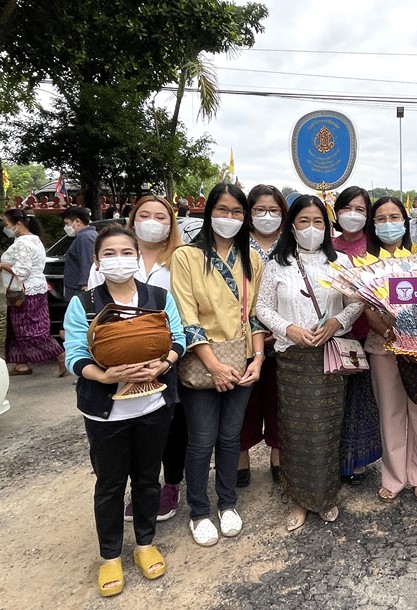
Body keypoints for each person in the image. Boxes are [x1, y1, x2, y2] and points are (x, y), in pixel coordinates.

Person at [63, 225, 185, 597]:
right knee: (111, 484)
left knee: (148, 478)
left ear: (137, 256)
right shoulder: (83, 304)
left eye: (126, 252)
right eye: (110, 254)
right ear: (98, 261)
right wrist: (103, 374)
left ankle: (145, 543)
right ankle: (110, 555)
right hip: (106, 412)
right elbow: (74, 353)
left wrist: (164, 363)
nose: (120, 260)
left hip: (152, 404)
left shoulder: (159, 296)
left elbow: (178, 338)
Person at [256, 195, 363, 531]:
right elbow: (263, 308)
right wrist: (288, 328)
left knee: (327, 431)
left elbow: (357, 301)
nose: (312, 228)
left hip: (329, 357)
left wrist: (338, 323)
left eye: (318, 221)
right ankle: (300, 499)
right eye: (304, 221)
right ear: (292, 226)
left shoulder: (341, 262)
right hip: (292, 359)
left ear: (327, 225)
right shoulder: (277, 264)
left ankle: (326, 496)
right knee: (296, 431)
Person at [170, 183, 267, 547]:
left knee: (230, 437)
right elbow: (186, 317)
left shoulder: (251, 260)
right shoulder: (186, 257)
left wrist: (258, 359)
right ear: (208, 212)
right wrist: (213, 366)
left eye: (237, 212)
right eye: (223, 210)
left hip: (242, 361)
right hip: (203, 362)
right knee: (201, 439)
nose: (230, 218)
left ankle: (227, 503)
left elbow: (254, 316)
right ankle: (199, 511)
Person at [87, 195, 186, 521]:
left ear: (171, 223)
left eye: (162, 216)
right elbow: (92, 318)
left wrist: (168, 358)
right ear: (133, 219)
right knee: (125, 432)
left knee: (170, 427)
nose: (153, 222)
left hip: (167, 362)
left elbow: (185, 313)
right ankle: (140, 487)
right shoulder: (109, 259)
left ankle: (171, 483)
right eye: (145, 215)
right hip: (116, 368)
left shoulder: (181, 260)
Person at [362, 196, 417, 503]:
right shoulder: (367, 262)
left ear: (405, 222)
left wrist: (415, 333)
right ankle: (394, 476)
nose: (387, 224)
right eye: (380, 219)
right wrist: (389, 332)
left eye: (394, 217)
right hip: (383, 346)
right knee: (391, 412)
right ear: (373, 224)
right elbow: (366, 307)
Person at [331, 186, 383, 485]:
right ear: (337, 212)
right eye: (347, 208)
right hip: (336, 335)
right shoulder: (327, 246)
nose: (353, 214)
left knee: (362, 403)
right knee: (337, 402)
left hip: (369, 336)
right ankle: (336, 459)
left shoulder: (374, 248)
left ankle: (359, 459)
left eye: (361, 209)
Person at [237, 185, 288, 488]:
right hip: (241, 335)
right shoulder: (236, 243)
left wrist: (277, 326)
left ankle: (278, 456)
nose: (267, 216)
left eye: (274, 210)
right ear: (249, 213)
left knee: (279, 397)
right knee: (243, 399)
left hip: (283, 333)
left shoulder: (290, 244)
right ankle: (240, 456)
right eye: (260, 210)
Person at [1, 209, 66, 376]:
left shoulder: (23, 243)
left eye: (6, 224)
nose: (5, 227)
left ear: (18, 225)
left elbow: (22, 270)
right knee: (16, 329)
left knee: (29, 330)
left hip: (26, 291)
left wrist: (2, 265)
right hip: (30, 289)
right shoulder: (33, 240)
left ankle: (60, 354)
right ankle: (21, 363)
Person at [62, 207, 97, 300]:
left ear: (78, 222)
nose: (66, 227)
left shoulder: (84, 238)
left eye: (67, 223)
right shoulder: (90, 235)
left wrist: (85, 285)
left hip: (79, 291)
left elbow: (86, 262)